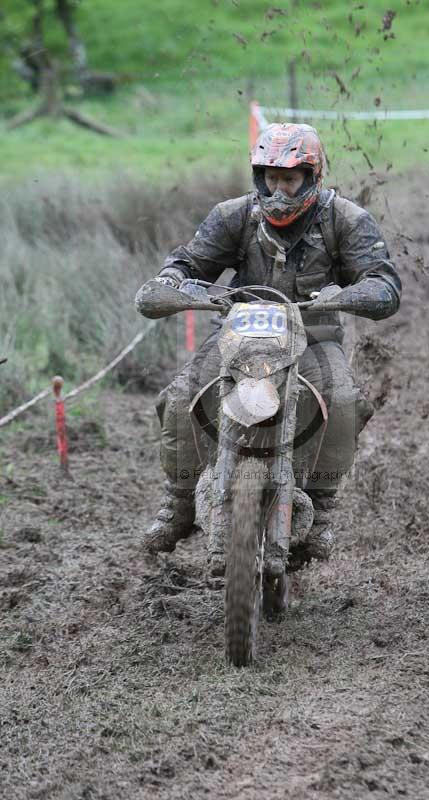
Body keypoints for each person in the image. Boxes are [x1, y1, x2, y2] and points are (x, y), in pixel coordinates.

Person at [136, 122, 401, 576]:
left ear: (312, 177)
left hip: (313, 335)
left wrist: (346, 295)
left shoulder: (346, 219)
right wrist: (173, 282)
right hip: (237, 333)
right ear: (259, 177)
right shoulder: (234, 216)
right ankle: (179, 502)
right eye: (271, 178)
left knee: (342, 401)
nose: (279, 190)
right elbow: (187, 262)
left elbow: (384, 283)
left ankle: (321, 505)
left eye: (290, 179)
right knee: (180, 397)